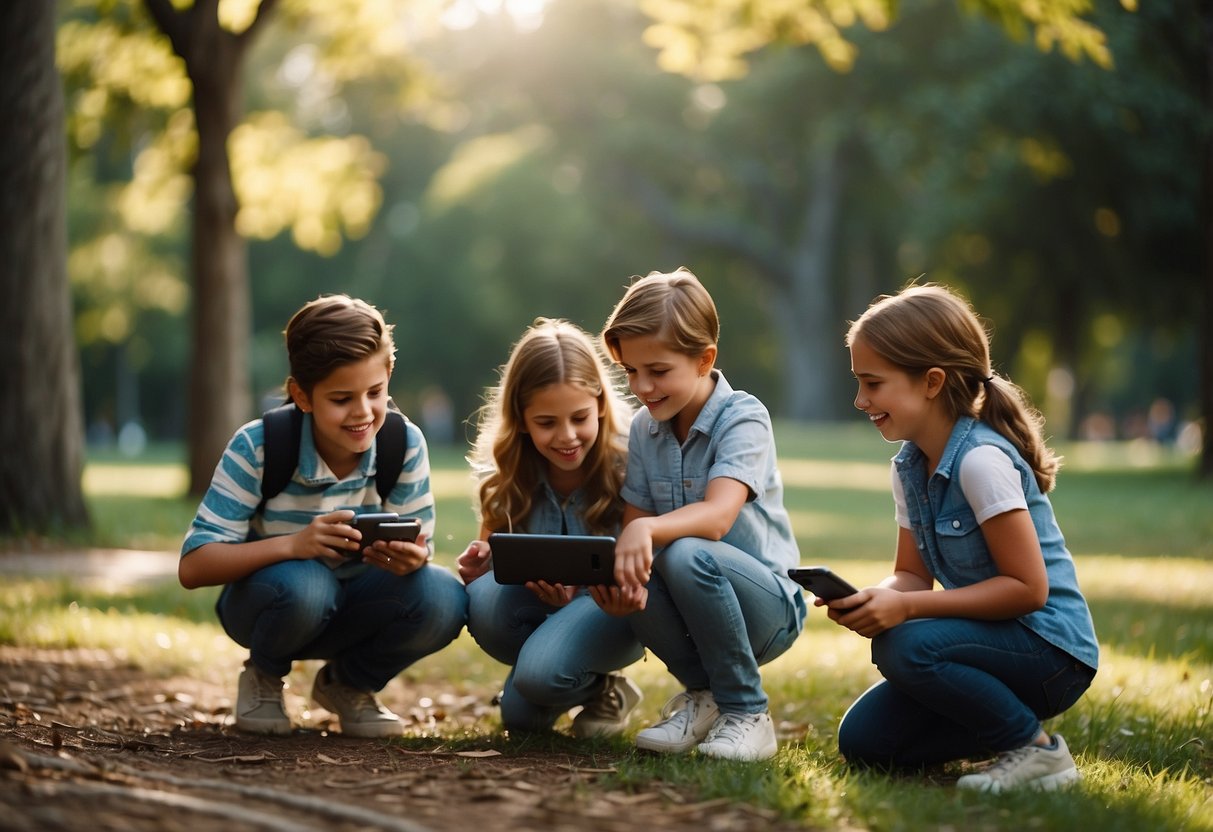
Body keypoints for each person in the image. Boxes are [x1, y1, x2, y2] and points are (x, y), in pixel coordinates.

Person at [833, 282, 1099, 792]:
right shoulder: (909, 467)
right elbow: (912, 575)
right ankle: (1001, 736)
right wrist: (874, 598)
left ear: (932, 381)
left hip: (1051, 654)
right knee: (866, 742)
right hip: (993, 647)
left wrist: (906, 611)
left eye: (873, 383)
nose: (860, 399)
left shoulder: (981, 462)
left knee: (904, 646)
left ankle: (1035, 752)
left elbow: (1028, 590)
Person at [180, 295, 468, 738]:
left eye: (375, 392)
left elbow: (420, 549)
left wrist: (412, 558)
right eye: (341, 398)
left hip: (356, 604)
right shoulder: (259, 446)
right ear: (301, 395)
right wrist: (294, 546)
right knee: (310, 584)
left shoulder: (403, 443)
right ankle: (263, 675)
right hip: (271, 603)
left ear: (389, 374)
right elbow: (194, 566)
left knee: (445, 596)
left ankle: (348, 684)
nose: (363, 412)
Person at [600, 267, 806, 762]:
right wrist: (621, 584)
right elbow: (636, 526)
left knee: (689, 551)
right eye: (631, 372)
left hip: (767, 607)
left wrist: (645, 531)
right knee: (636, 568)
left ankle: (748, 713)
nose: (642, 387)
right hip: (694, 604)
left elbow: (716, 518)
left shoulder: (743, 417)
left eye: (658, 370)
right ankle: (705, 698)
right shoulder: (647, 432)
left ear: (703, 359)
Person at [456, 318, 645, 736]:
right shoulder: (507, 477)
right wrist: (479, 568)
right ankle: (596, 687)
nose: (567, 437)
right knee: (520, 719)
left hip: (615, 614)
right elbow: (493, 558)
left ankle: (565, 672)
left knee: (538, 681)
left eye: (579, 417)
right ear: (521, 419)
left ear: (599, 403)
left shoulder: (632, 462)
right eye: (546, 423)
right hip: (546, 612)